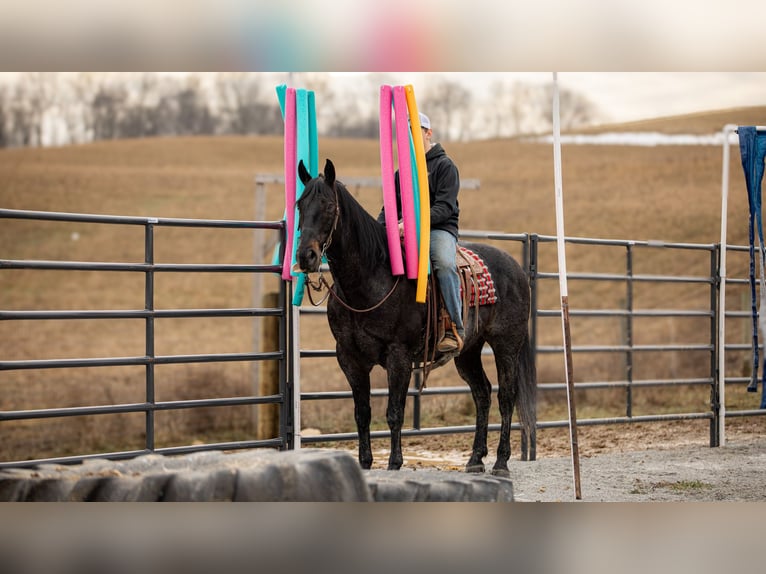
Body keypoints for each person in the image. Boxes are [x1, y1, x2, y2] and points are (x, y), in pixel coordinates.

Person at [377, 112, 464, 352]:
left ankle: (453, 326)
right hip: (406, 228)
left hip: (439, 229)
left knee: (444, 264)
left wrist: (414, 223)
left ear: (428, 132)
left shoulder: (445, 166)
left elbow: (445, 207)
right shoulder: (401, 173)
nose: (411, 139)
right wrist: (380, 228)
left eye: (416, 132)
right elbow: (390, 207)